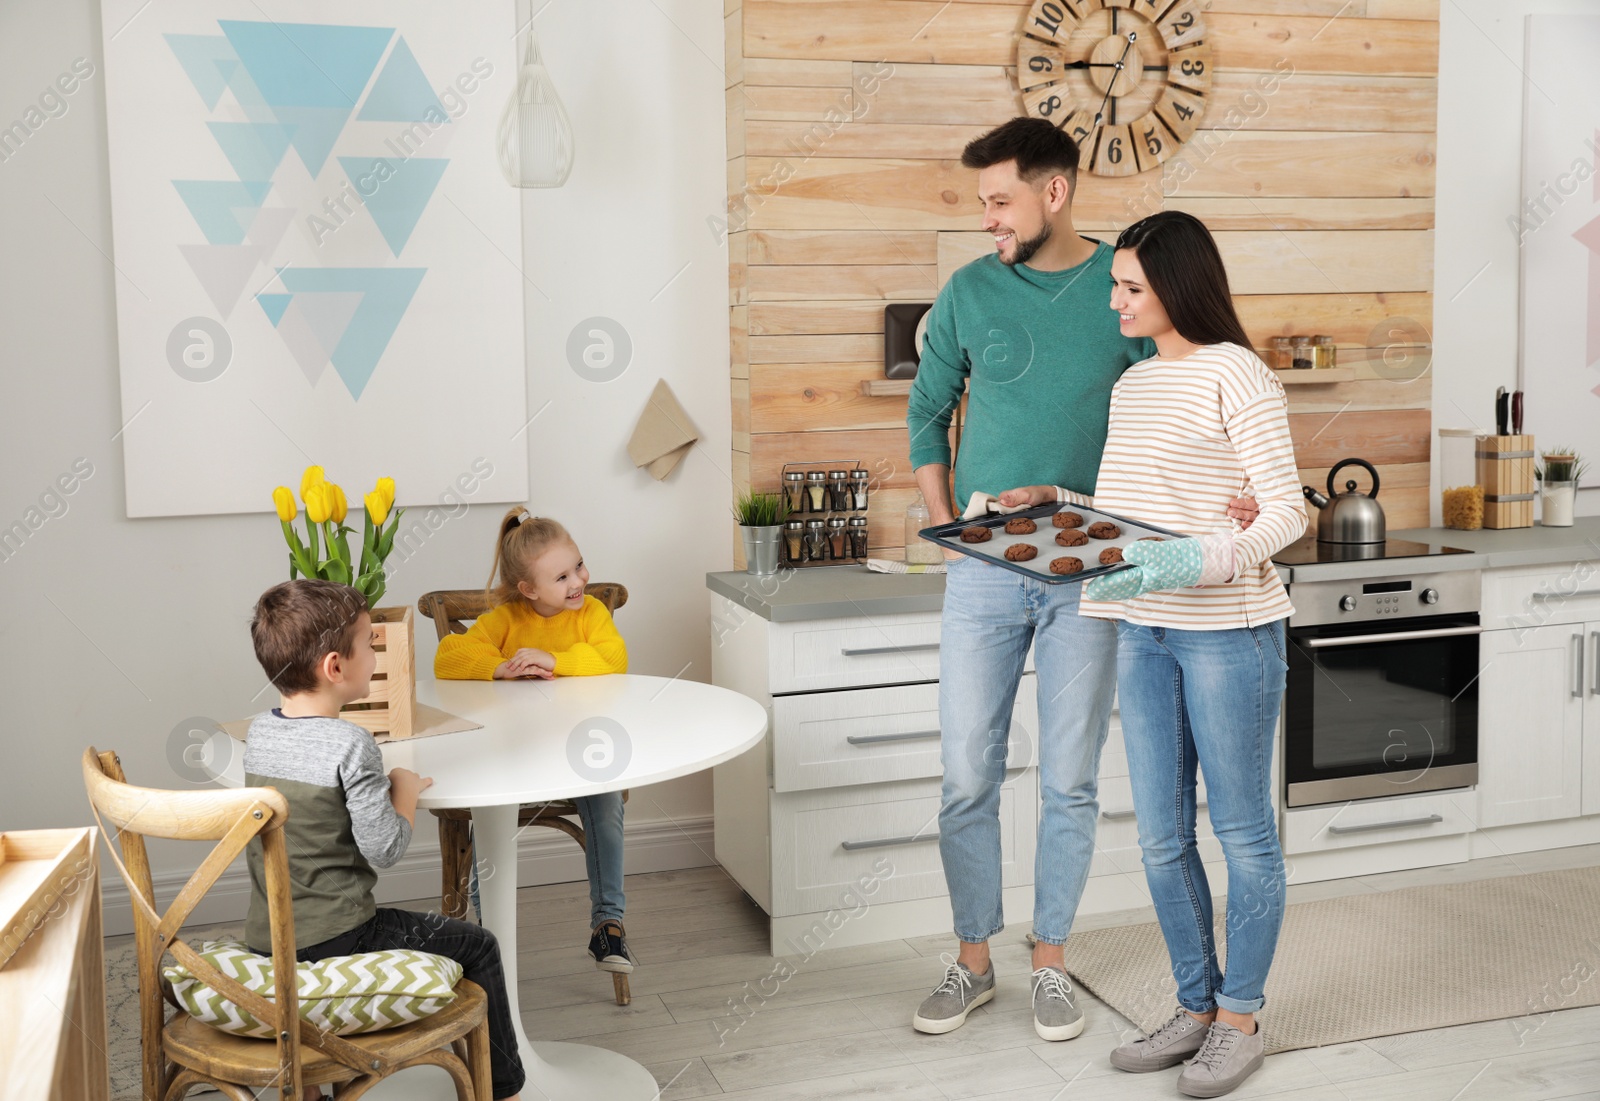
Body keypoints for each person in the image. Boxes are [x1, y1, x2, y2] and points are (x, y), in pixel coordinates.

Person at [904, 118, 1258, 1043]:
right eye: (983, 202)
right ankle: (972, 958)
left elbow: (1179, 405)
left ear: (1052, 192)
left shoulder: (1120, 294)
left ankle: (1050, 960)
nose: (987, 218)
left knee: (1068, 779)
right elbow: (926, 411)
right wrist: (946, 530)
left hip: (1092, 575)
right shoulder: (969, 290)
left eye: (998, 199)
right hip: (983, 568)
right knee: (966, 773)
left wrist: (1235, 496)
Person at [999, 209, 1307, 1097]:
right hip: (1146, 625)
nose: (1116, 301)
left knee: (1243, 832)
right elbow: (1136, 506)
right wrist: (1057, 499)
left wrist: (1199, 554)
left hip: (1229, 630)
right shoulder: (1137, 384)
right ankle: (1195, 1005)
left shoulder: (1236, 373)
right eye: (1114, 286)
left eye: (1131, 286)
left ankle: (1241, 1016)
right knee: (1163, 837)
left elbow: (1285, 510)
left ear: (1179, 284)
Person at [243, 579, 524, 1101]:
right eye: (368, 643)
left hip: (269, 941)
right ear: (335, 667)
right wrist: (405, 789)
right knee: (478, 945)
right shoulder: (351, 744)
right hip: (339, 940)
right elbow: (386, 848)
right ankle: (503, 1089)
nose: (375, 652)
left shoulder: (260, 734)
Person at [434, 507, 633, 978]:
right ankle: (488, 931)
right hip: (515, 753)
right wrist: (498, 667)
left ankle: (609, 922)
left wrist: (555, 658)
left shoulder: (592, 613)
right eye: (561, 576)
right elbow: (449, 655)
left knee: (606, 801)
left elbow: (614, 657)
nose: (577, 582)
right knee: (489, 802)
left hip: (580, 750)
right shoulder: (507, 619)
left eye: (578, 566)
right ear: (529, 589)